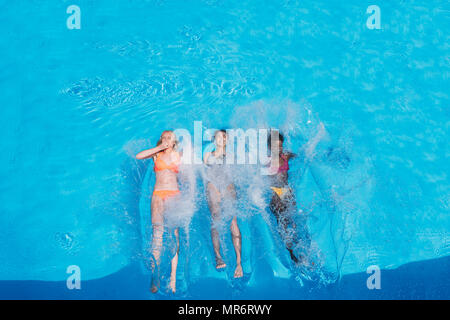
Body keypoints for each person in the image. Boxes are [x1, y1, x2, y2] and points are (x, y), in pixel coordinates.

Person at [266, 124, 326, 265]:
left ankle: (303, 252)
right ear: (270, 146)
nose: (278, 148)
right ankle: (292, 254)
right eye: (275, 145)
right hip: (275, 193)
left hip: (287, 191)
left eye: (280, 145)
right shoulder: (267, 160)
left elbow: (303, 154)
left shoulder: (285, 156)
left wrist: (315, 145)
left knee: (294, 221)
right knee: (283, 222)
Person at [136, 130, 182, 293]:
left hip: (174, 195)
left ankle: (173, 278)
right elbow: (139, 156)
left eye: (169, 137)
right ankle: (155, 277)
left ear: (175, 141)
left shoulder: (179, 155)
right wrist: (159, 148)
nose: (166, 138)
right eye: (164, 136)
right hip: (158, 195)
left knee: (174, 234)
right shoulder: (157, 155)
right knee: (158, 232)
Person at [203, 129, 243, 278]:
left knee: (233, 220)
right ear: (214, 140)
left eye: (224, 137)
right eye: (219, 136)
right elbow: (205, 169)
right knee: (216, 218)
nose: (222, 138)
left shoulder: (232, 156)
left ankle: (239, 262)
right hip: (213, 185)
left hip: (227, 185)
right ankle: (218, 256)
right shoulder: (208, 155)